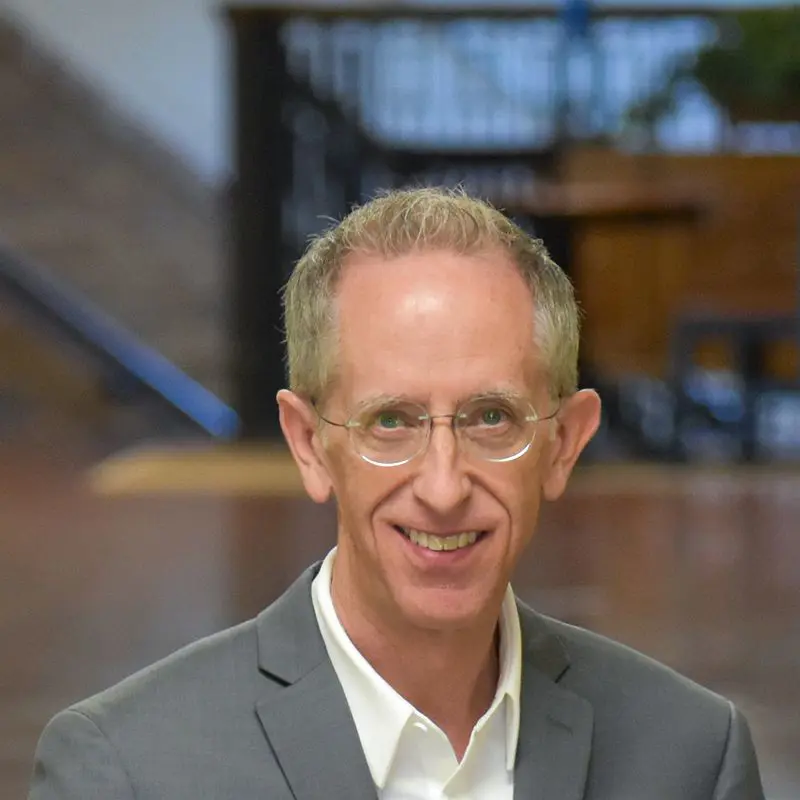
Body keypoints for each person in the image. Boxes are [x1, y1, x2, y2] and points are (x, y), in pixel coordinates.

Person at [29, 187, 764, 799]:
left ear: (564, 444)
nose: (443, 487)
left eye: (490, 418)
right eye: (390, 421)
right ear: (310, 444)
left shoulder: (691, 758)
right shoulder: (128, 771)